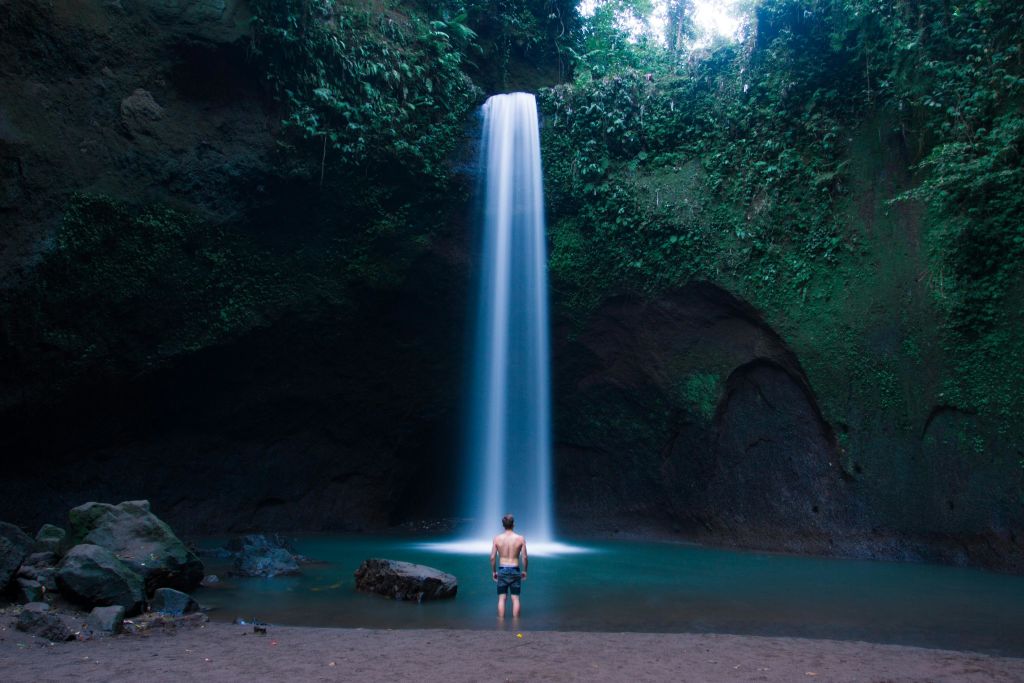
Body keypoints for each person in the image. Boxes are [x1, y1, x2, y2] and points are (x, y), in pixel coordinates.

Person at [490, 514, 528, 618]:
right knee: (515, 598)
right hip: (515, 569)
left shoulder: (497, 539)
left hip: (502, 569)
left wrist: (493, 572)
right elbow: (524, 557)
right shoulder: (520, 539)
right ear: (513, 524)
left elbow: (492, 557)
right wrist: (525, 571)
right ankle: (516, 624)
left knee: (502, 598)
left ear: (503, 525)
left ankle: (501, 622)